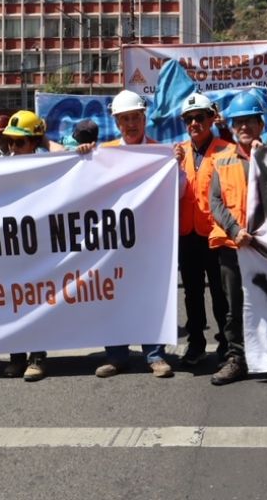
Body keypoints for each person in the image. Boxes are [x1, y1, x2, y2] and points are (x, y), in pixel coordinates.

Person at [80, 90, 173, 379]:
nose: (131, 123)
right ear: (117, 123)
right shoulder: (103, 153)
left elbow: (178, 192)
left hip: (149, 239)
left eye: (135, 117)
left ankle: (155, 355)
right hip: (113, 241)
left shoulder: (162, 152)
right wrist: (84, 157)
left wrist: (175, 165)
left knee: (150, 295)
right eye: (125, 119)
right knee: (113, 296)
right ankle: (117, 356)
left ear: (144, 118)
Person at [208, 92, 265, 387]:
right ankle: (237, 359)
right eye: (239, 122)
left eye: (250, 122)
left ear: (261, 124)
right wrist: (234, 230)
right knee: (234, 308)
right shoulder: (221, 160)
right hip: (232, 246)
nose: (244, 127)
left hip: (266, 248)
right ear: (232, 126)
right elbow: (215, 201)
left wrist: (263, 157)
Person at [0, 110, 53, 382]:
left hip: (38, 245)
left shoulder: (50, 164)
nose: (13, 148)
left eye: (21, 143)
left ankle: (37, 356)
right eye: (10, 142)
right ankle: (16, 356)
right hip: (9, 245)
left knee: (36, 299)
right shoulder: (0, 163)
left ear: (35, 142)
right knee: (13, 300)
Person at [176, 92, 232, 368]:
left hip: (215, 233)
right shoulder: (178, 151)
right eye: (189, 119)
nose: (194, 123)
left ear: (211, 118)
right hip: (187, 234)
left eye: (199, 117)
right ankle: (196, 341)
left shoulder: (225, 150)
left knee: (221, 294)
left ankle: (225, 343)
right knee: (192, 293)